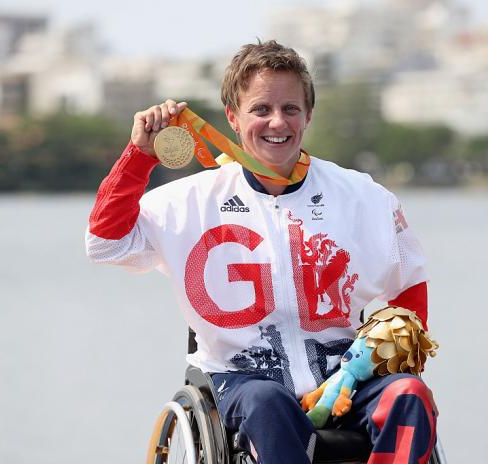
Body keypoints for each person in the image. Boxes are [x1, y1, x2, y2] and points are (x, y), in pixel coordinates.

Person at [86, 40, 437, 464]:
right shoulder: (188, 201)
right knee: (268, 402)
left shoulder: (363, 195)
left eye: (291, 108)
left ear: (308, 114)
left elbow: (409, 279)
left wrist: (391, 355)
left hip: (343, 378)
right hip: (244, 381)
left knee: (409, 394)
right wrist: (139, 156)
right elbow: (105, 244)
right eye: (261, 109)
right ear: (233, 117)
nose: (277, 122)